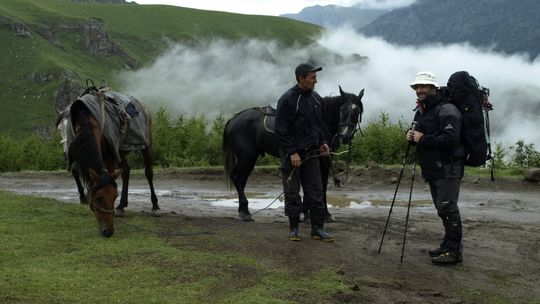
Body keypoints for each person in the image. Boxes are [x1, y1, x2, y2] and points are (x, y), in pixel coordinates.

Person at [406, 71, 464, 265]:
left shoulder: (446, 109)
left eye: (423, 86)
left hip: (448, 167)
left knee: (448, 207)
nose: (419, 90)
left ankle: (454, 252)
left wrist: (423, 139)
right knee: (442, 208)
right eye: (417, 87)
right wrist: (412, 137)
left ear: (434, 88)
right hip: (433, 168)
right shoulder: (423, 109)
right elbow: (422, 135)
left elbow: (451, 139)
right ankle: (447, 246)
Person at [275, 63, 335, 242]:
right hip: (292, 156)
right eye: (312, 77)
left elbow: (318, 125)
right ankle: (294, 229)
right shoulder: (287, 99)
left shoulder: (316, 98)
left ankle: (317, 229)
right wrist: (292, 152)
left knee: (315, 191)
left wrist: (323, 142)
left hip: (312, 154)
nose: (316, 81)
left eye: (315, 77)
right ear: (301, 79)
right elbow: (281, 130)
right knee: (292, 192)